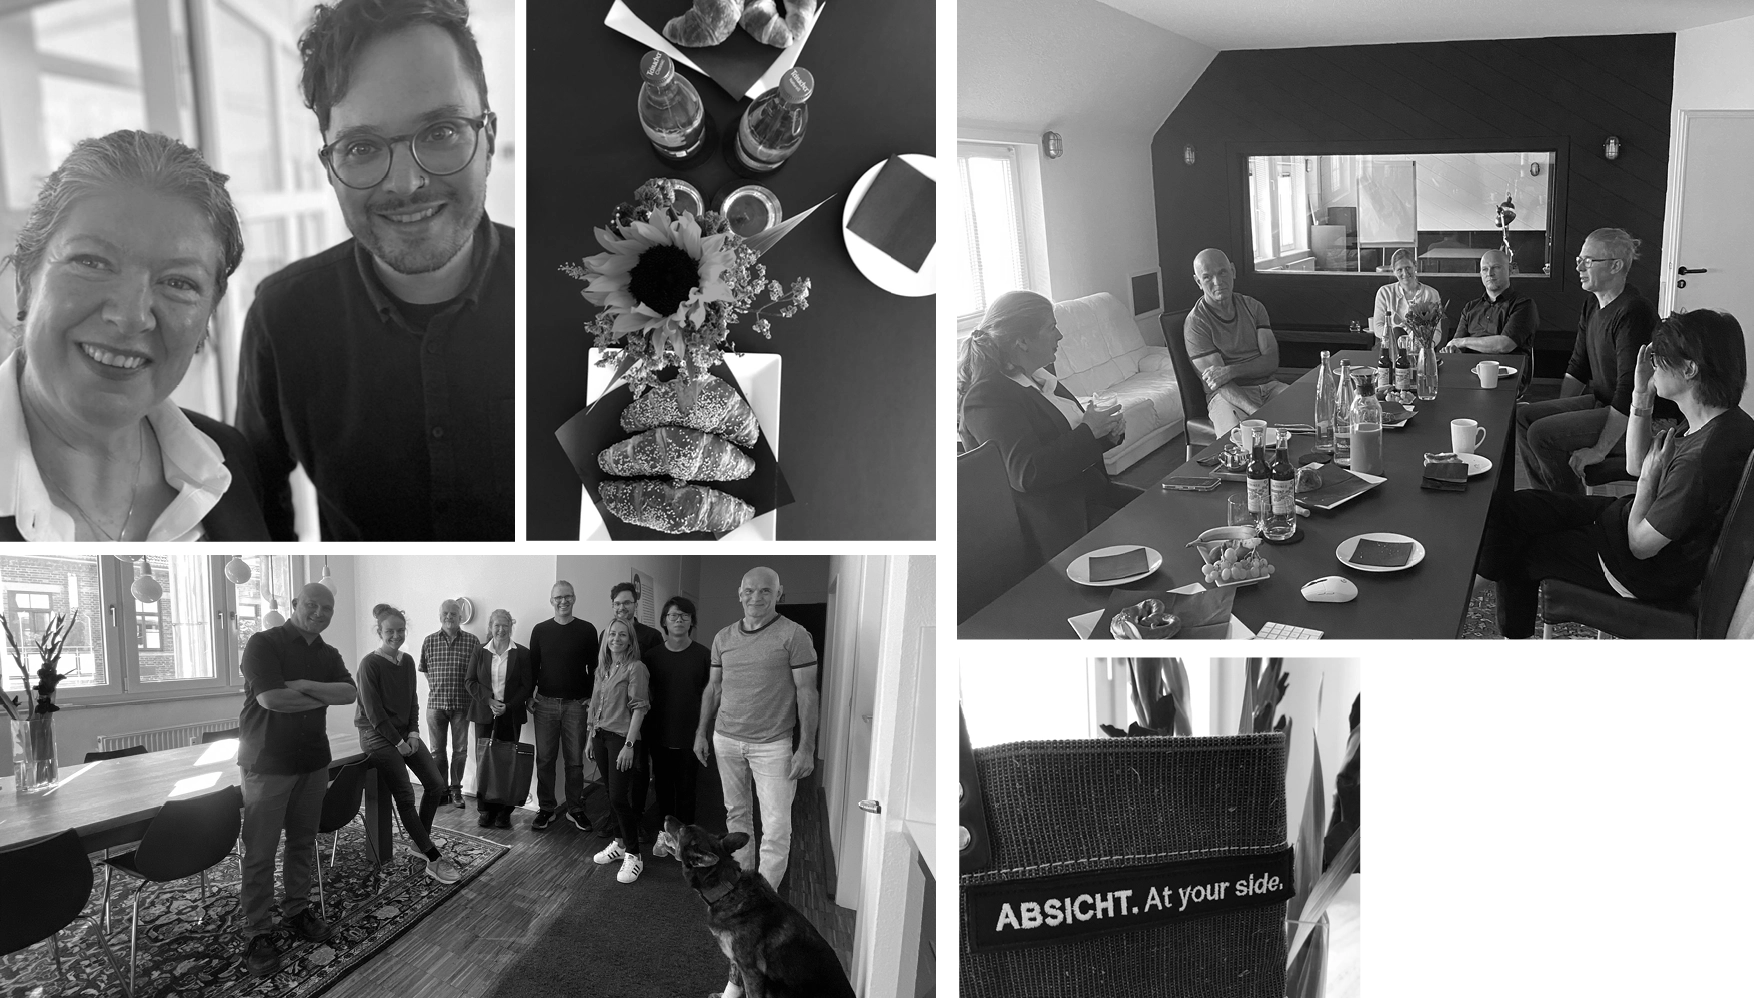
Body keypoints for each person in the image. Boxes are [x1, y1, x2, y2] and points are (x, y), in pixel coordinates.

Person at [236, 0, 518, 542]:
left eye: (440, 131)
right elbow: (259, 509)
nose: (407, 183)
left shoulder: (572, 291)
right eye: (362, 147)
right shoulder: (282, 319)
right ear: (329, 166)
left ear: (488, 138)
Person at [0, 130, 269, 543]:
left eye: (178, 283)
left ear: (206, 321)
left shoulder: (229, 460)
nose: (130, 316)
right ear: (24, 281)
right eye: (92, 262)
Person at [1478, 309, 1754, 637]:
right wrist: (1640, 394)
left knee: (1524, 549)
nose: (1652, 364)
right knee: (1519, 507)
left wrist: (1649, 482)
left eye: (1659, 356)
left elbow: (1640, 545)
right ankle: (1475, 575)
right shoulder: (1722, 421)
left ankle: (1497, 618)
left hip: (1640, 569)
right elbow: (1636, 465)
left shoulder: (1701, 463)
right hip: (1630, 524)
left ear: (1690, 369)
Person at [956, 290, 1135, 566]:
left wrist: (1106, 434)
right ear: (1023, 341)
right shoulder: (987, 397)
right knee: (1157, 533)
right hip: (1058, 524)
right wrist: (1090, 431)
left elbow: (1068, 438)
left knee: (1167, 510)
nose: (1060, 335)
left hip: (1090, 495)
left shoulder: (1040, 376)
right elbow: (1026, 472)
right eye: (1051, 327)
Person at [237, 583, 356, 978]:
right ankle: (257, 932)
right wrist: (323, 695)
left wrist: (303, 687)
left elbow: (349, 693)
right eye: (311, 605)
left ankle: (297, 910)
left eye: (327, 607)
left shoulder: (329, 653)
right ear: (294, 605)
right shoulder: (263, 644)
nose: (319, 612)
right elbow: (271, 700)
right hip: (267, 763)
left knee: (303, 843)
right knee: (260, 853)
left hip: (313, 761)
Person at [1515, 228, 1673, 493]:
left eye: (1588, 261)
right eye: (1579, 259)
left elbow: (1629, 392)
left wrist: (1599, 450)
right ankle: (1545, 499)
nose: (1578, 266)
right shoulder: (1592, 304)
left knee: (1541, 434)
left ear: (1616, 265)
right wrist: (1561, 409)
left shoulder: (1634, 312)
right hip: (1603, 402)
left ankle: (1568, 509)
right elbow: (1578, 366)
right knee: (1524, 417)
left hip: (1641, 417)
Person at [694, 567, 818, 889]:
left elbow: (807, 691)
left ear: (779, 594)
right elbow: (714, 688)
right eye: (749, 590)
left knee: (777, 827)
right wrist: (700, 732)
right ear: (739, 593)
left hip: (773, 745)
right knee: (736, 815)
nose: (756, 597)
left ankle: (765, 895)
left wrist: (806, 747)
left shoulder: (795, 635)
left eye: (765, 590)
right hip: (726, 740)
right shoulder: (723, 637)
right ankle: (744, 883)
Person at [354, 603, 462, 884]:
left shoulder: (408, 661)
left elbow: (413, 700)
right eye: (390, 631)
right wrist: (399, 743)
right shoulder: (369, 664)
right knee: (405, 795)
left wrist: (413, 734)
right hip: (375, 736)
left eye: (400, 630)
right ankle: (432, 857)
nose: (396, 635)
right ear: (380, 631)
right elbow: (375, 714)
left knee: (436, 784)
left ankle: (419, 842)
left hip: (403, 734)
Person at [1184, 248, 1288, 436]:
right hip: (1227, 396)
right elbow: (1219, 383)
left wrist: (1230, 370)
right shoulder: (1195, 323)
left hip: (1269, 387)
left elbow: (1271, 362)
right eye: (1207, 277)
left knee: (1311, 413)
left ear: (1233, 271)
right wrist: (1256, 411)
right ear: (1198, 282)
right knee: (1241, 441)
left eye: (1222, 272)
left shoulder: (1253, 307)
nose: (1218, 282)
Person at [529, 580, 598, 833]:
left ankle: (575, 809)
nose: (563, 601)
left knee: (574, 761)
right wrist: (529, 695)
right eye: (558, 597)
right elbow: (532, 666)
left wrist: (591, 696)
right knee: (545, 760)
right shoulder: (540, 630)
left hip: (576, 706)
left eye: (567, 596)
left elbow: (595, 668)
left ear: (574, 598)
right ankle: (546, 808)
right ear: (551, 601)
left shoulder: (587, 630)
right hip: (545, 704)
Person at [587, 618, 652, 884]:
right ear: (606, 639)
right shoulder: (602, 669)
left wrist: (629, 744)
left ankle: (635, 854)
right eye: (612, 634)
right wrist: (591, 736)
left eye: (622, 635)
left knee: (618, 798)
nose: (616, 638)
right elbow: (594, 705)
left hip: (620, 739)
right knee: (608, 794)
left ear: (630, 640)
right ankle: (618, 843)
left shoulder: (636, 668)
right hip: (601, 737)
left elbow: (639, 708)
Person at [646, 596, 711, 861]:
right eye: (673, 616)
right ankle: (666, 835)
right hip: (659, 732)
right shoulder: (652, 657)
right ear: (664, 621)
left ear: (692, 621)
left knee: (687, 790)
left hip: (690, 735)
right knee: (662, 789)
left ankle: (686, 841)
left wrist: (703, 731)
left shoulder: (703, 655)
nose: (679, 621)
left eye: (685, 616)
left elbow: (711, 694)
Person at [466, 608, 533, 828]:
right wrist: (489, 701)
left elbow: (527, 686)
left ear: (511, 627)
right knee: (485, 763)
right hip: (485, 715)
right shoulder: (479, 651)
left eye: (505, 625)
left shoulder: (521, 653)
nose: (501, 630)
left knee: (507, 764)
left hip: (510, 715)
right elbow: (470, 682)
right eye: (497, 625)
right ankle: (485, 810)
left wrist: (509, 706)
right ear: (490, 627)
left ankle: (505, 812)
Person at [418, 599, 479, 809]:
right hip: (435, 705)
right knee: (437, 752)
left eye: (453, 613)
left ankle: (456, 790)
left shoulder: (472, 641)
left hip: (462, 704)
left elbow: (476, 674)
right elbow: (425, 670)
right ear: (439, 615)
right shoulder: (429, 641)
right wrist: (439, 686)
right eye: (445, 613)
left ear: (460, 617)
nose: (449, 617)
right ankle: (441, 790)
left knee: (460, 751)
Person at [1371, 247, 1440, 346]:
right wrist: (1398, 341)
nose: (1405, 273)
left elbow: (1436, 330)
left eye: (1408, 268)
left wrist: (1426, 348)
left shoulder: (1431, 294)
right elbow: (1378, 327)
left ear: (1415, 266)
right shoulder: (1384, 292)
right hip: (1391, 347)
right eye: (1399, 270)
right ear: (1394, 271)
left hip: (1420, 348)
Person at [610, 581, 664, 657]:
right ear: (613, 605)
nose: (621, 608)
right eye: (617, 604)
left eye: (627, 603)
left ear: (636, 605)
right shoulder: (605, 635)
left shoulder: (652, 636)